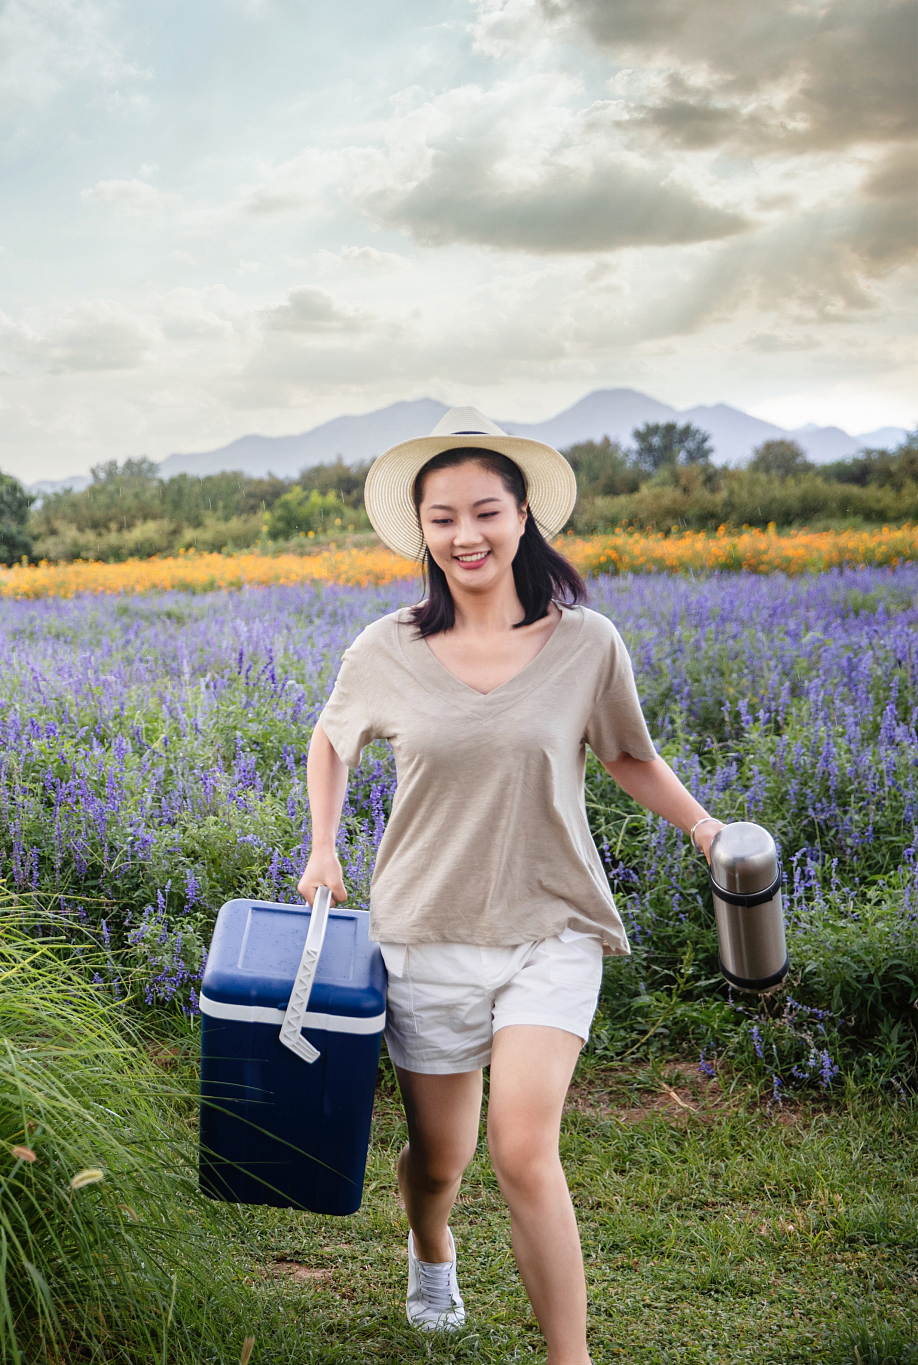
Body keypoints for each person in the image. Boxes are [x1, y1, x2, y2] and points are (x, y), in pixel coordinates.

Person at [299, 407, 721, 1365]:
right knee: (439, 1160)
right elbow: (330, 738)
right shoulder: (386, 647)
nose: (466, 534)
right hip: (426, 931)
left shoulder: (587, 642)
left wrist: (704, 827)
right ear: (422, 530)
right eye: (443, 517)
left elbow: (628, 753)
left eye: (485, 511)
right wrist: (323, 846)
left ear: (524, 515)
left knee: (523, 1148)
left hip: (552, 924)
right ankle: (430, 1244)